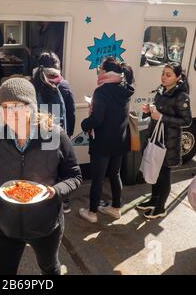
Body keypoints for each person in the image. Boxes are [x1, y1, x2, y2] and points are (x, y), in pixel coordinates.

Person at [0, 77, 82, 275]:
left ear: (31, 107)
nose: (11, 113)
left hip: (45, 226)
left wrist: (55, 191)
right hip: (5, 226)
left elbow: (74, 176)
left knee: (49, 268)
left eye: (17, 105)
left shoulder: (55, 136)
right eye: (5, 107)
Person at [79, 57, 135, 223]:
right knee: (115, 174)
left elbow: (97, 119)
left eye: (101, 69)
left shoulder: (102, 91)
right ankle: (116, 208)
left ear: (106, 72)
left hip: (102, 142)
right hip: (120, 140)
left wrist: (84, 124)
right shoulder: (125, 88)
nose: (99, 71)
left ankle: (92, 212)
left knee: (98, 177)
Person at [136, 62, 192, 219]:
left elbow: (186, 121)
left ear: (178, 77)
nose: (164, 77)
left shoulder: (181, 95)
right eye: (163, 73)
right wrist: (149, 111)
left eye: (168, 75)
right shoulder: (161, 90)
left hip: (169, 142)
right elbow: (159, 112)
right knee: (154, 170)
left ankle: (161, 208)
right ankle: (153, 200)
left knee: (164, 174)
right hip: (156, 137)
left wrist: (161, 117)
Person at [31, 51, 76, 213]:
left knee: (42, 169)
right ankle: (64, 202)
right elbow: (71, 112)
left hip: (38, 136)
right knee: (61, 167)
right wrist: (67, 135)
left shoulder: (32, 84)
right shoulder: (63, 85)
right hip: (58, 134)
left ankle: (42, 200)